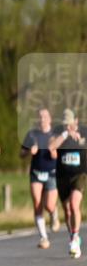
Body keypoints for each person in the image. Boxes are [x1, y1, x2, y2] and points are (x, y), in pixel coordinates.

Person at [49, 109, 86, 258]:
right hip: (62, 175)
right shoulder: (59, 132)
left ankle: (75, 238)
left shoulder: (84, 131)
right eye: (65, 124)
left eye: (69, 124)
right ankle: (72, 236)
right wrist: (65, 135)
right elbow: (51, 148)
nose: (67, 126)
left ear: (76, 121)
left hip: (79, 173)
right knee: (67, 210)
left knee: (74, 204)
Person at [21, 108, 60, 248]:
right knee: (37, 203)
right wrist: (29, 151)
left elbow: (58, 156)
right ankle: (44, 237)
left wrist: (53, 151)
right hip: (36, 173)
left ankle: (54, 213)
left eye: (45, 116)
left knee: (49, 204)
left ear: (50, 118)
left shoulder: (55, 135)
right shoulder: (32, 135)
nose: (42, 119)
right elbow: (22, 152)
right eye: (40, 117)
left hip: (51, 173)